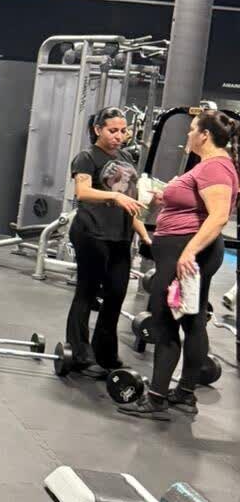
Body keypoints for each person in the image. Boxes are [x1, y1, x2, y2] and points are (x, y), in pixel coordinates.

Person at [118, 110, 239, 420]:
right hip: (184, 248)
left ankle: (157, 398)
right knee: (192, 321)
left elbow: (218, 216)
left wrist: (188, 252)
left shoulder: (215, 167)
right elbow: (197, 206)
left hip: (185, 251)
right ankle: (184, 394)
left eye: (192, 129)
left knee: (165, 322)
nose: (188, 134)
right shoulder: (211, 165)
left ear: (205, 135)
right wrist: (166, 197)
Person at [65, 108, 150, 377]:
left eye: (123, 131)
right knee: (87, 291)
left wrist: (144, 234)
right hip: (91, 233)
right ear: (98, 129)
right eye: (113, 130)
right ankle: (80, 354)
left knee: (116, 293)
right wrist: (114, 197)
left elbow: (130, 204)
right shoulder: (87, 157)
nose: (118, 136)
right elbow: (82, 191)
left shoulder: (125, 158)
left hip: (120, 236)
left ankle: (105, 353)